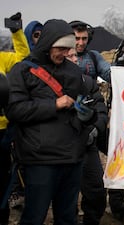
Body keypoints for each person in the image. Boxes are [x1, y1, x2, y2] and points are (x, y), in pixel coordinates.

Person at [5, 19, 97, 225]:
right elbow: (15, 110)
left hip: (72, 159)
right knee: (35, 216)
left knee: (67, 218)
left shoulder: (74, 72)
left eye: (68, 49)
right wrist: (54, 104)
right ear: (47, 43)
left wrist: (88, 115)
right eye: (60, 48)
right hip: (39, 160)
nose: (65, 53)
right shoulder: (22, 71)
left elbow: (85, 106)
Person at [66, 48, 108, 225]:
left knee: (96, 190)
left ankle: (92, 220)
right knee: (66, 193)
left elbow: (101, 109)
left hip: (87, 145)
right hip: (62, 149)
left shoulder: (88, 82)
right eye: (69, 56)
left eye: (75, 55)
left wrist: (95, 130)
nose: (75, 59)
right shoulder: (47, 84)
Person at [0, 12, 29, 225]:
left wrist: (17, 31)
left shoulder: (2, 58)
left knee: (2, 179)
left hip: (3, 130)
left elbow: (22, 57)